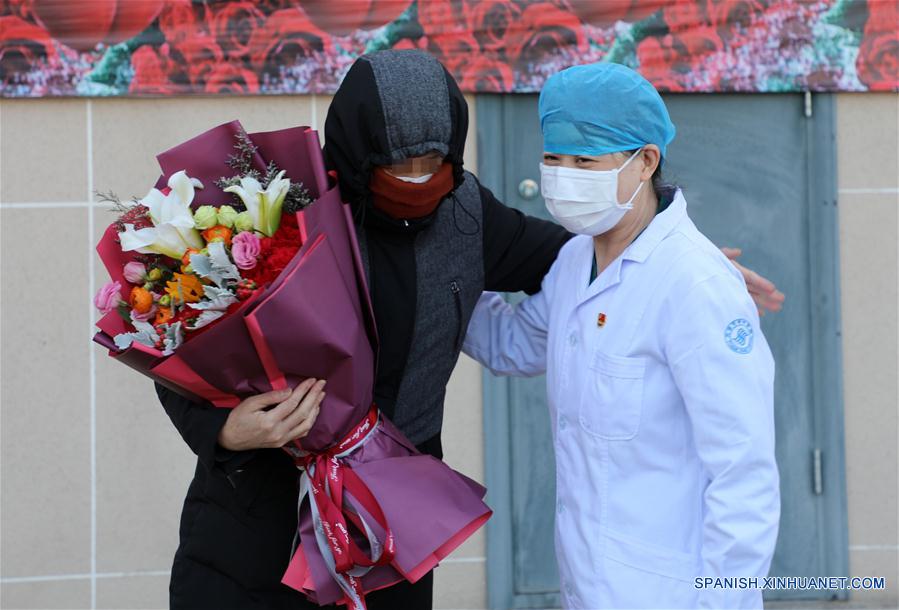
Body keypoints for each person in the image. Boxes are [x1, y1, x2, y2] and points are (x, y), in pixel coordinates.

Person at [155, 50, 783, 610]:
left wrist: (689, 265)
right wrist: (227, 430)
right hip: (258, 516)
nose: (420, 179)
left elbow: (587, 258)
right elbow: (175, 335)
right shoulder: (270, 213)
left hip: (390, 522)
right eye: (401, 163)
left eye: (435, 160)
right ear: (357, 150)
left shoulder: (463, 214)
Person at [462, 62, 781, 609]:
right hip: (588, 584)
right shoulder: (574, 260)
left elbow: (743, 474)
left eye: (585, 160)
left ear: (645, 162)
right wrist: (432, 280)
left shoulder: (693, 284)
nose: (564, 174)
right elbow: (513, 344)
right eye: (554, 158)